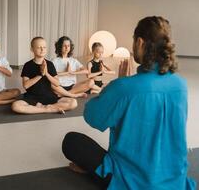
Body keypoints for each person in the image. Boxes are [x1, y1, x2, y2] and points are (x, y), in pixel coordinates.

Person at [62, 16, 197, 189]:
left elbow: (92, 116)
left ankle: (98, 173)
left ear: (140, 42)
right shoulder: (181, 85)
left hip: (130, 180)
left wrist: (116, 86)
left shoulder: (124, 87)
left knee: (71, 141)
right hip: (174, 181)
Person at [11, 37, 77, 114]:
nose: (42, 49)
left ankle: (42, 108)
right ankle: (49, 109)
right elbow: (26, 85)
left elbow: (57, 83)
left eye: (44, 47)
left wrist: (47, 74)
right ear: (32, 49)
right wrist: (40, 74)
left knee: (73, 102)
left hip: (49, 96)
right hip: (32, 97)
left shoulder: (50, 64)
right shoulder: (27, 65)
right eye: (39, 47)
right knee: (16, 106)